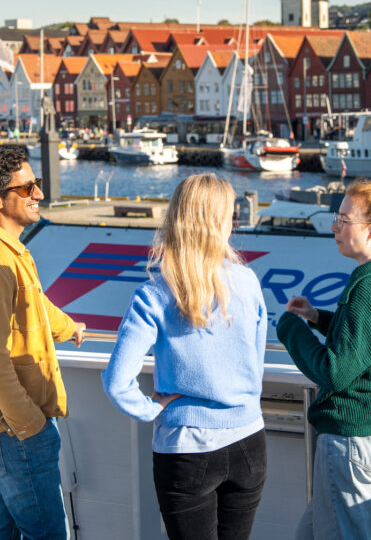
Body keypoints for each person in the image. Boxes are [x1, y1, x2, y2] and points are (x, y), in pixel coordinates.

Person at [102, 173, 268, 540]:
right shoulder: (247, 281)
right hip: (249, 442)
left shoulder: (154, 294)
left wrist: (151, 409)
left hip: (186, 448)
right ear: (221, 222)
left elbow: (116, 382)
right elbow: (254, 361)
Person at [276, 168, 371, 540]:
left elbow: (334, 371)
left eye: (343, 220)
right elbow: (370, 337)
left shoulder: (367, 288)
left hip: (354, 443)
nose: (335, 227)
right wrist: (315, 317)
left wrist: (290, 329)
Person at [0, 146, 86, 540]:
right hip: (13, 427)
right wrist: (31, 425)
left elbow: (30, 301)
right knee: (47, 534)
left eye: (36, 185)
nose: (38, 194)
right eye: (27, 189)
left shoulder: (6, 253)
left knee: (6, 529)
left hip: (10, 425)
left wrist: (67, 326)